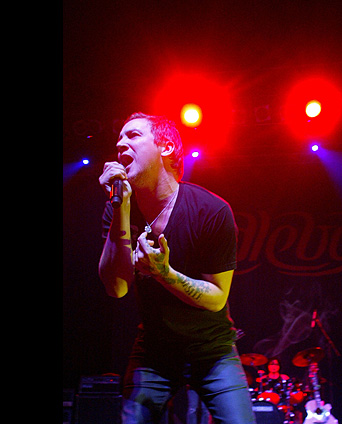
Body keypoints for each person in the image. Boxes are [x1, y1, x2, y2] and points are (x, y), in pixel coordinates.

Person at [98, 112, 256, 424]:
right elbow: (116, 288)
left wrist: (164, 274)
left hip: (213, 350)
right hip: (154, 351)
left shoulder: (210, 211)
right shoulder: (118, 210)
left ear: (166, 147)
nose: (120, 144)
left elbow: (217, 298)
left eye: (133, 136)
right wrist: (121, 209)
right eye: (119, 139)